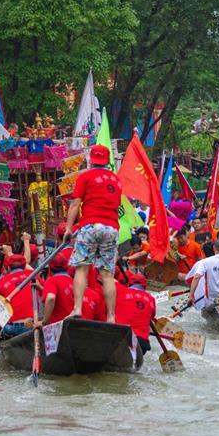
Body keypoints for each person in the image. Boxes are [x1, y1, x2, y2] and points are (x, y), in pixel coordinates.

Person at [65, 144, 121, 323]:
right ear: (107, 161)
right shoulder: (116, 180)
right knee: (107, 274)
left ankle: (77, 308)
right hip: (111, 228)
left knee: (82, 268)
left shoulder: (85, 176)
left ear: (91, 160)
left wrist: (68, 228)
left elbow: (75, 204)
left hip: (90, 226)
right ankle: (111, 317)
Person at [185, 237, 219, 312]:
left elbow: (196, 277)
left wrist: (191, 295)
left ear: (214, 248)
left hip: (212, 300)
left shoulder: (205, 262)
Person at [0, 254, 36, 336]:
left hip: (10, 328)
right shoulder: (34, 276)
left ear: (8, 268)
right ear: (24, 266)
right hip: (31, 325)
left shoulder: (1, 283)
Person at [115, 273, 156, 355]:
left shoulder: (119, 292)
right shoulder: (151, 298)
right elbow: (152, 316)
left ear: (129, 284)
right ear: (145, 287)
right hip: (141, 342)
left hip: (120, 337)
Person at [41, 253, 74, 324]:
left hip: (59, 325)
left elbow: (51, 298)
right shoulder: (74, 281)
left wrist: (44, 322)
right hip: (74, 324)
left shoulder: (51, 281)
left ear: (50, 268)